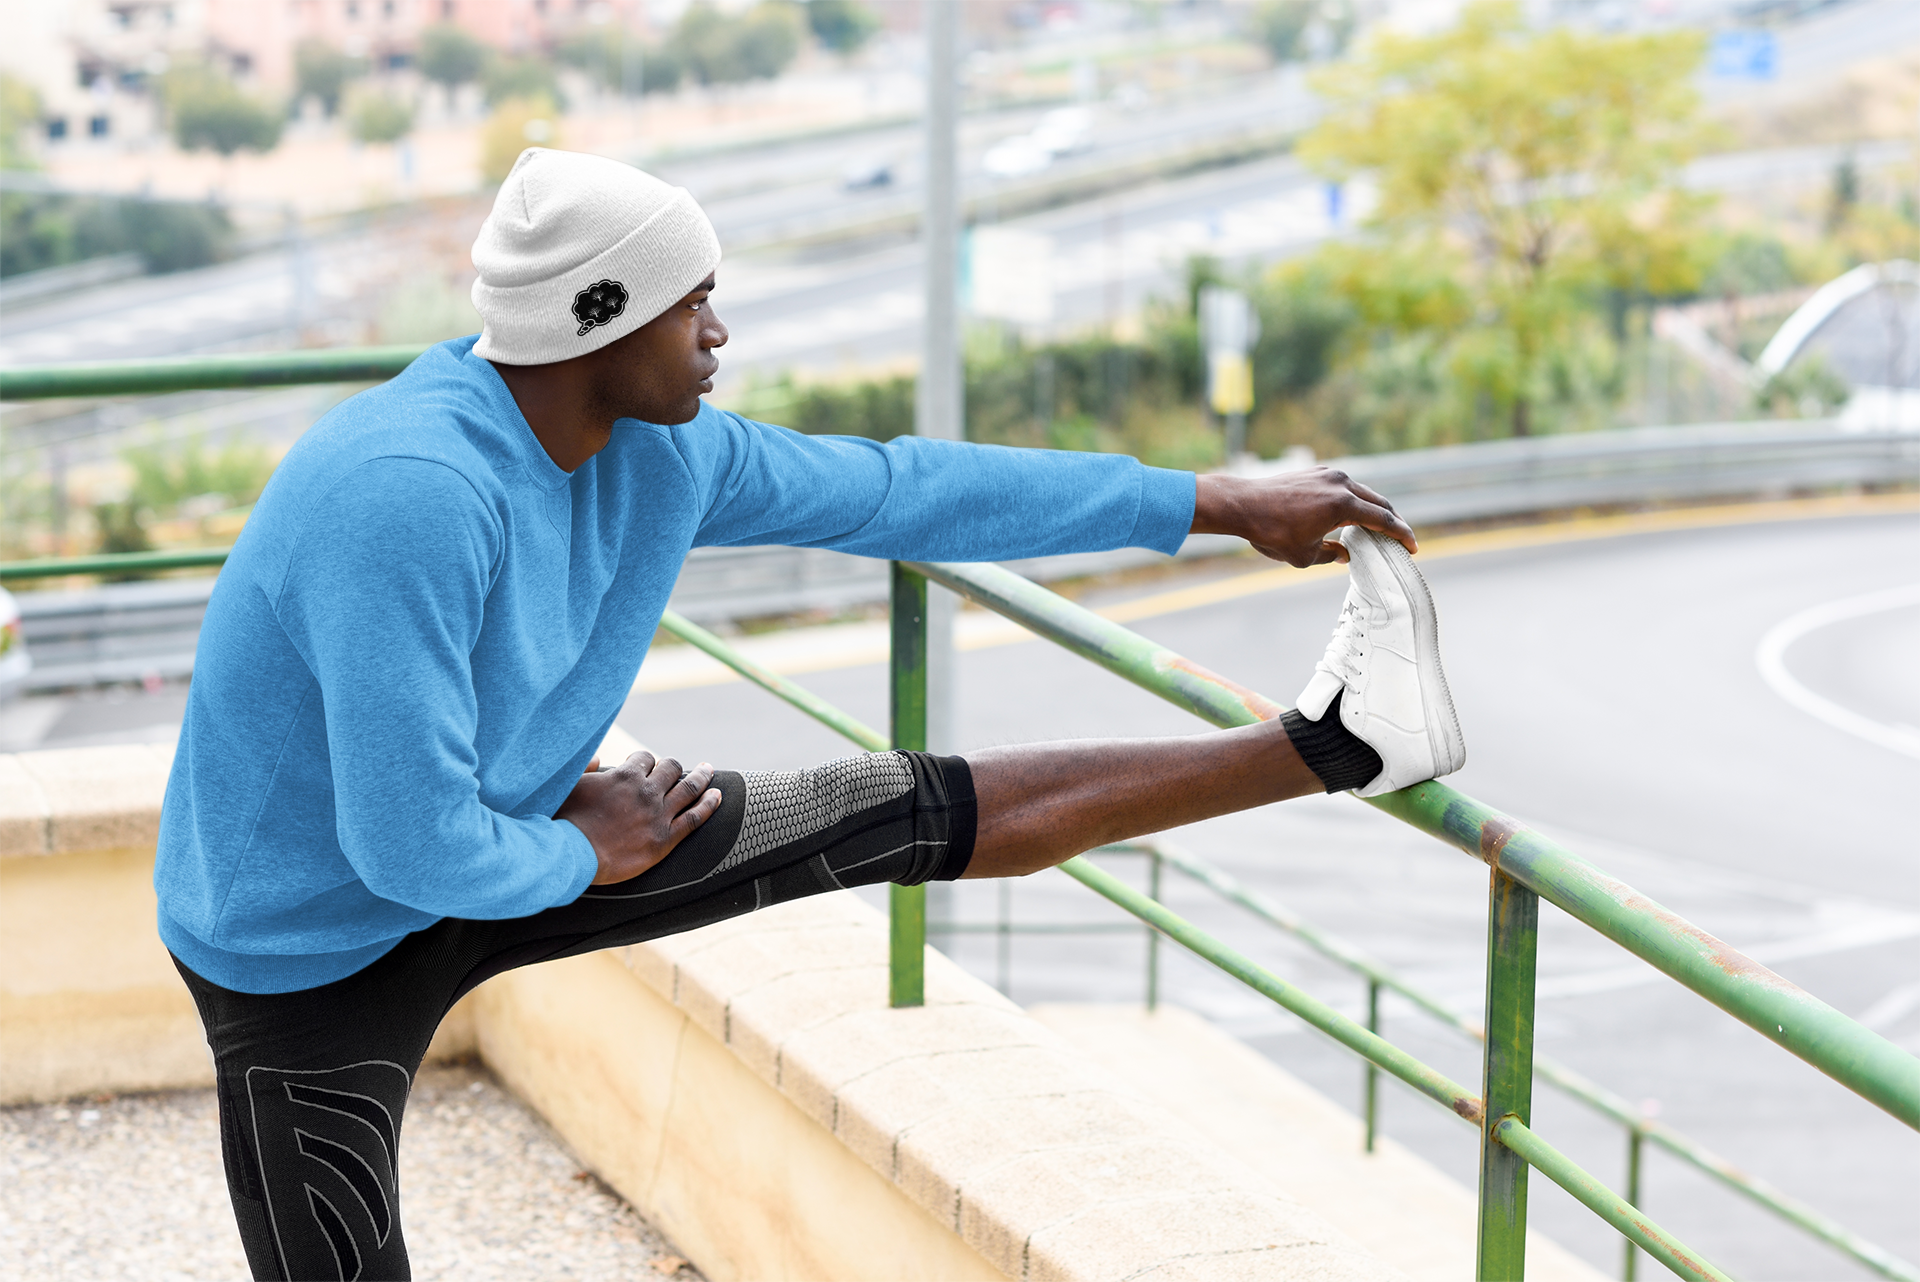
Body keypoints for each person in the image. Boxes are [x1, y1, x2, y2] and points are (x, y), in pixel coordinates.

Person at [156, 149, 1465, 1282]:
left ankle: (1335, 742)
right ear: (592, 319)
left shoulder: (661, 451)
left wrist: (1211, 503)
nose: (719, 334)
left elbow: (908, 491)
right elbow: (402, 843)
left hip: (523, 827)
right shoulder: (409, 494)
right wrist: (586, 850)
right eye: (695, 304)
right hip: (305, 951)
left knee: (888, 806)